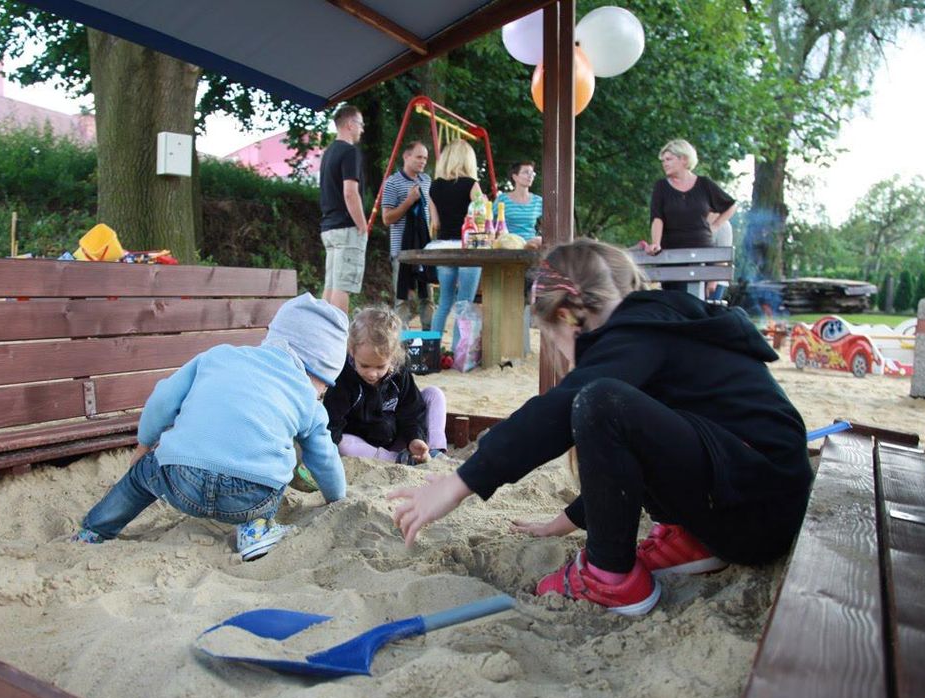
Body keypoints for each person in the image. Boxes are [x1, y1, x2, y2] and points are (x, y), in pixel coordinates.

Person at [390, 239, 813, 616]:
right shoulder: (657, 326)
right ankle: (690, 540)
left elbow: (557, 411)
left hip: (757, 509)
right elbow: (637, 454)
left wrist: (458, 482)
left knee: (597, 401)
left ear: (571, 317)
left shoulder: (636, 335)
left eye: (553, 341)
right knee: (616, 407)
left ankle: (609, 578)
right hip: (757, 493)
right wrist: (568, 519)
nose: (560, 355)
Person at [72, 293, 349, 561]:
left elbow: (163, 400)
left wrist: (145, 443)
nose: (322, 393)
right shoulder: (308, 400)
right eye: (325, 384)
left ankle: (94, 531)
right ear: (315, 370)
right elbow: (323, 457)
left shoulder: (218, 356)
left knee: (140, 477)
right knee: (277, 469)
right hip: (250, 497)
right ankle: (254, 530)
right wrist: (337, 496)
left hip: (180, 481)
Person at [325, 306, 448, 465]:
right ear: (351, 351)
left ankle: (434, 450)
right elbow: (332, 422)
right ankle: (396, 460)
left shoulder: (399, 373)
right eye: (364, 366)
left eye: (380, 367)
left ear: (393, 357)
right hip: (366, 447)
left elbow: (411, 411)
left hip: (399, 438)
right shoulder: (344, 378)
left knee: (434, 393)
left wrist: (415, 439)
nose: (372, 374)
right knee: (343, 443)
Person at [429, 139, 485, 334]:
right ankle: (459, 354)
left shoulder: (434, 187)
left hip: (443, 248)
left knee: (444, 303)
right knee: (464, 303)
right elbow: (481, 221)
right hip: (467, 248)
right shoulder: (472, 185)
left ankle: (433, 351)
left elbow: (435, 223)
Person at [382, 141, 438, 329]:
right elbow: (387, 218)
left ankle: (430, 342)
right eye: (419, 157)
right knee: (402, 300)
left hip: (423, 250)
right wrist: (408, 202)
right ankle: (399, 344)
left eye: (425, 158)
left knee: (427, 298)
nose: (423, 161)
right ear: (406, 157)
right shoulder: (392, 182)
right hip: (401, 251)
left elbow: (430, 208)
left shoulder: (426, 180)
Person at [646, 138, 736, 256]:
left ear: (684, 159)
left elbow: (731, 206)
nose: (664, 163)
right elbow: (657, 218)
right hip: (671, 254)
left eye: (668, 159)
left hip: (703, 252)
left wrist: (715, 225)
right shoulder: (661, 186)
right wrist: (656, 243)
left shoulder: (704, 184)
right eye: (663, 160)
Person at [319, 105, 369, 313]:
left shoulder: (328, 153)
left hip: (329, 228)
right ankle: (339, 342)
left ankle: (321, 337)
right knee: (343, 287)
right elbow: (350, 192)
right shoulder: (350, 152)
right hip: (347, 228)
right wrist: (362, 225)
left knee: (330, 286)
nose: (362, 130)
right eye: (360, 124)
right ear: (350, 124)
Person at [494, 160, 543, 249]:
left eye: (532, 173)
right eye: (526, 172)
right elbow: (489, 222)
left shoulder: (538, 201)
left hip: (531, 246)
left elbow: (551, 224)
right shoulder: (502, 199)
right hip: (507, 247)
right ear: (515, 177)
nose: (530, 176)